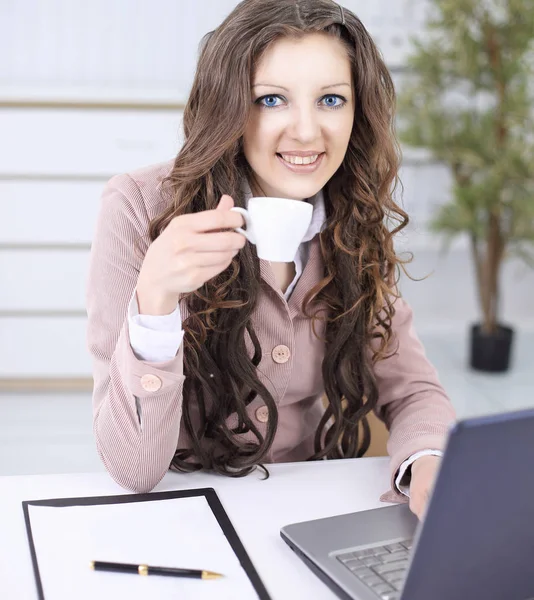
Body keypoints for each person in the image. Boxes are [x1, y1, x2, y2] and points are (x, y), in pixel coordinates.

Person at [86, 0, 456, 519]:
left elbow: (411, 386)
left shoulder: (354, 212)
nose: (306, 132)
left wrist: (431, 461)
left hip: (303, 503)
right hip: (177, 510)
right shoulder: (140, 207)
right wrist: (156, 301)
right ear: (228, 105)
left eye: (331, 99)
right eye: (271, 100)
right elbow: (132, 469)